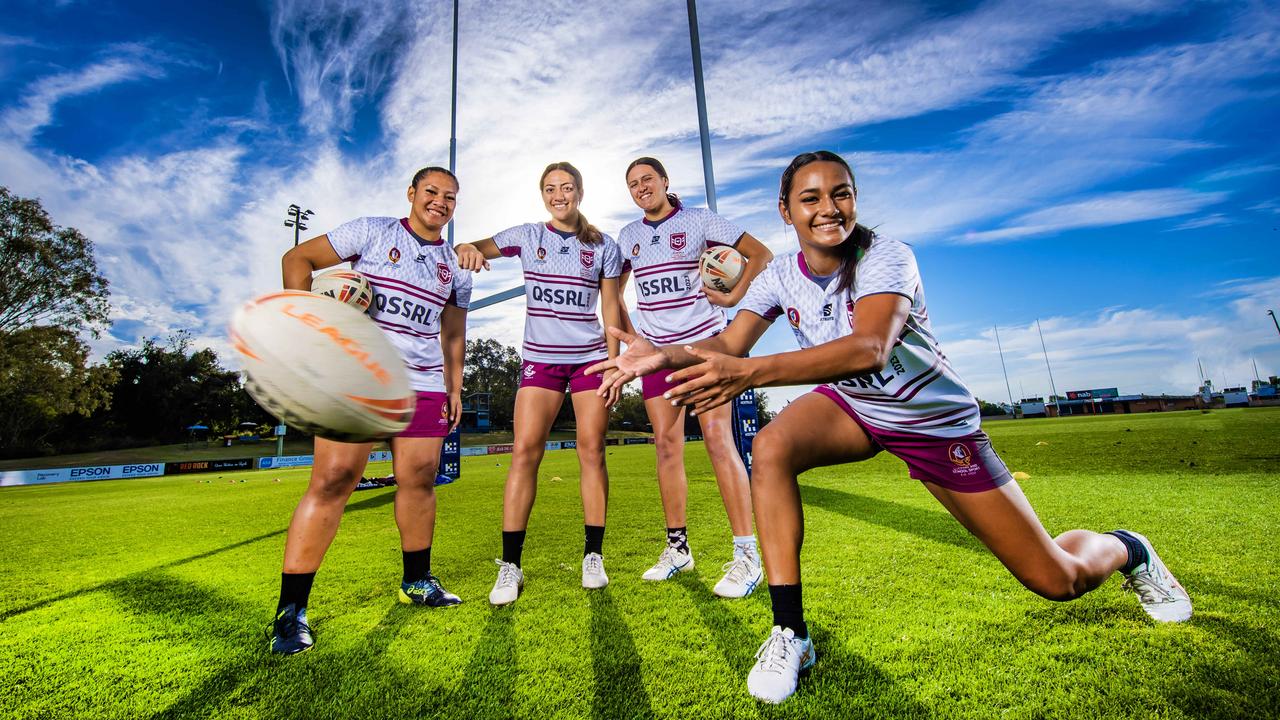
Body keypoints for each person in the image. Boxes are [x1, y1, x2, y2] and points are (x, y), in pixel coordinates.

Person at [589, 151, 1191, 703]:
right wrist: (663, 355)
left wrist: (749, 372)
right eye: (811, 198)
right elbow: (726, 343)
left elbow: (869, 348)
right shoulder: (777, 276)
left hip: (932, 424)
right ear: (786, 211)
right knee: (771, 446)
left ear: (854, 199)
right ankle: (790, 631)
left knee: (1056, 579)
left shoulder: (886, 255)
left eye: (841, 193)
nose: (828, 208)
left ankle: (1129, 548)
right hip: (853, 409)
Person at [269, 166, 472, 655]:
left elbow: (453, 332)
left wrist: (454, 386)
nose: (439, 202)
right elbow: (297, 258)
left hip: (422, 383)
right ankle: (290, 612)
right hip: (360, 375)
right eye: (431, 192)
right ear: (411, 193)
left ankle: (417, 581)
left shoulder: (455, 267)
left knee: (420, 478)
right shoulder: (371, 231)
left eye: (449, 197)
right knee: (334, 480)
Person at [454, 161, 624, 606]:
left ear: (580, 192)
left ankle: (593, 555)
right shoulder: (529, 235)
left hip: (589, 360)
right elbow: (474, 246)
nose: (558, 195)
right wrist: (467, 247)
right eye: (550, 189)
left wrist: (615, 364)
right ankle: (511, 565)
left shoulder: (603, 245)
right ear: (542, 194)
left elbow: (611, 309)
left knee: (592, 449)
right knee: (525, 452)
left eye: (566, 187)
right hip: (541, 361)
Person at [616, 157, 773, 596]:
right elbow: (612, 290)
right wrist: (631, 337)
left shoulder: (700, 219)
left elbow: (760, 254)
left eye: (648, 179)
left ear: (666, 182)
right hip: (656, 358)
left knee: (719, 443)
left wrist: (733, 297)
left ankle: (747, 555)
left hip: (703, 346)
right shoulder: (628, 237)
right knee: (666, 448)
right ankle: (678, 549)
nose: (642, 187)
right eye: (633, 184)